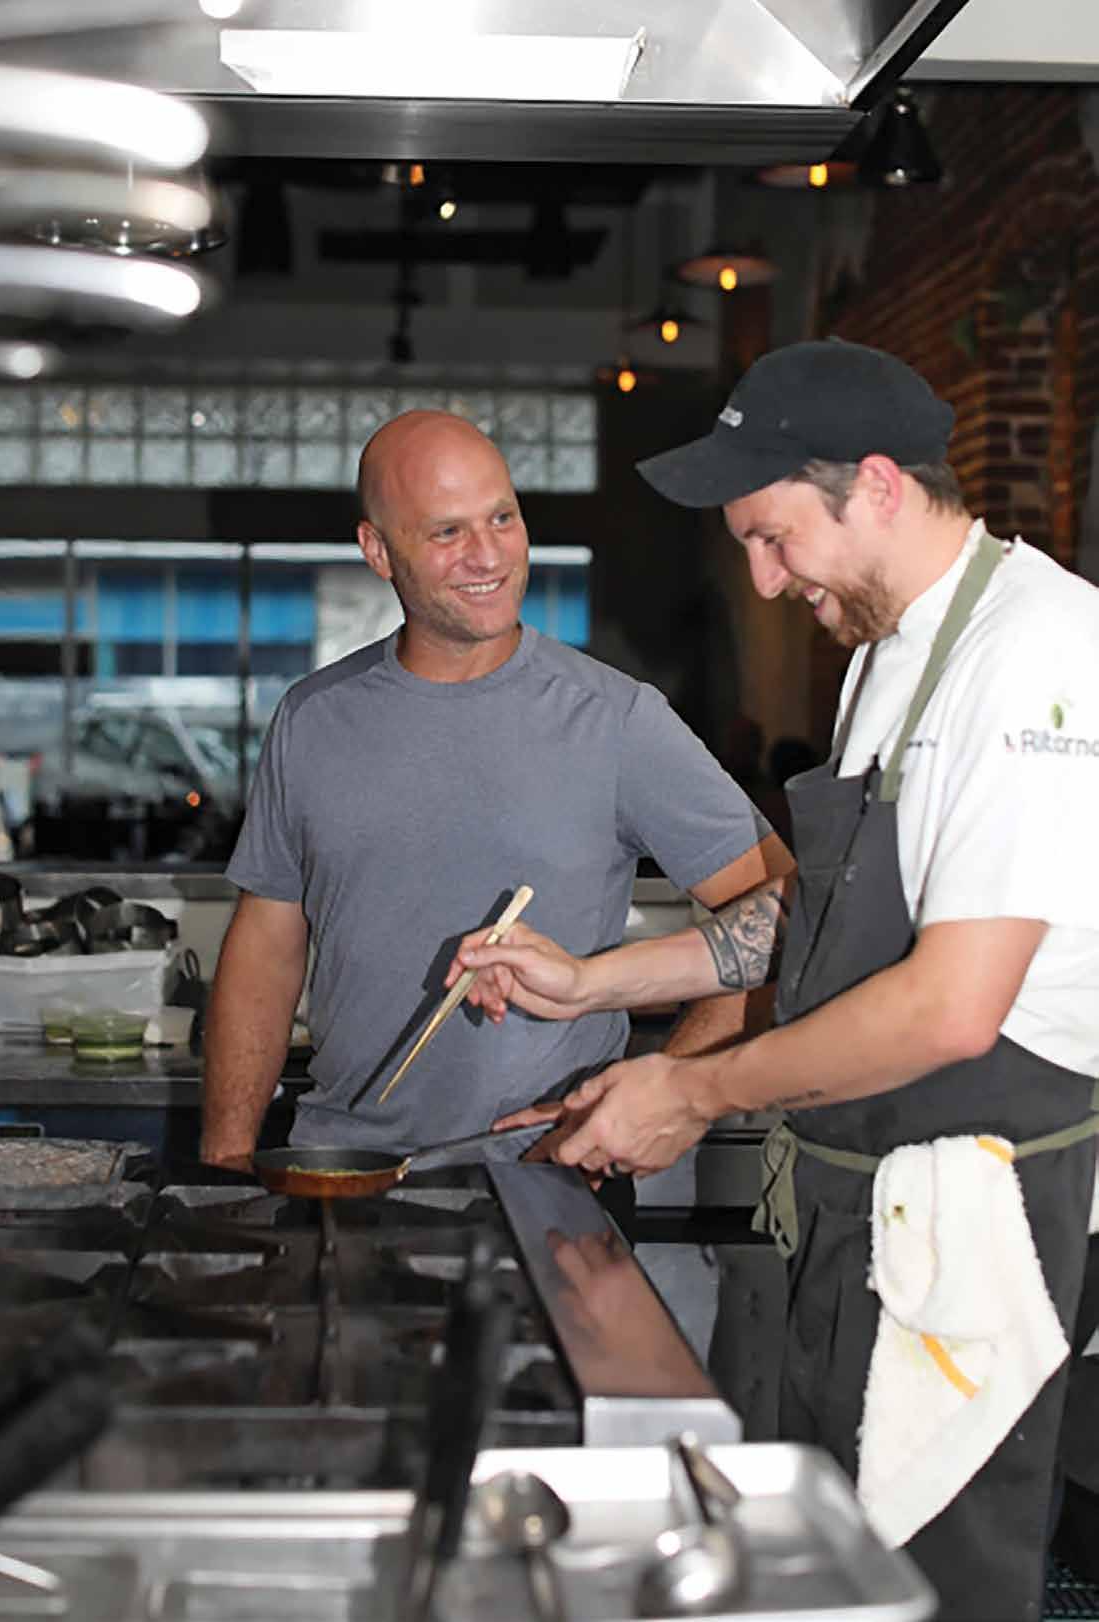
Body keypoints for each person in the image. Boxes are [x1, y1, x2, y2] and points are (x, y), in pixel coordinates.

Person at [452, 340, 1099, 1622]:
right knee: (832, 1571)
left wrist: (693, 1091)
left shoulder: (1038, 653)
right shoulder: (886, 654)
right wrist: (593, 983)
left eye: (773, 537)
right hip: (862, 1205)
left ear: (878, 485)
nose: (762, 577)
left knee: (932, 1590)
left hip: (980, 1221)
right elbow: (813, 921)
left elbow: (952, 1003)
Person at [200, 408, 792, 1177]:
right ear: (377, 550)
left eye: (502, 518)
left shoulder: (615, 718)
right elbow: (266, 945)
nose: (488, 555)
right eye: (447, 532)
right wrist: (226, 1153)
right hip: (339, 1166)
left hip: (546, 1174)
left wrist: (666, 1089)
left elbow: (786, 916)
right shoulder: (312, 717)